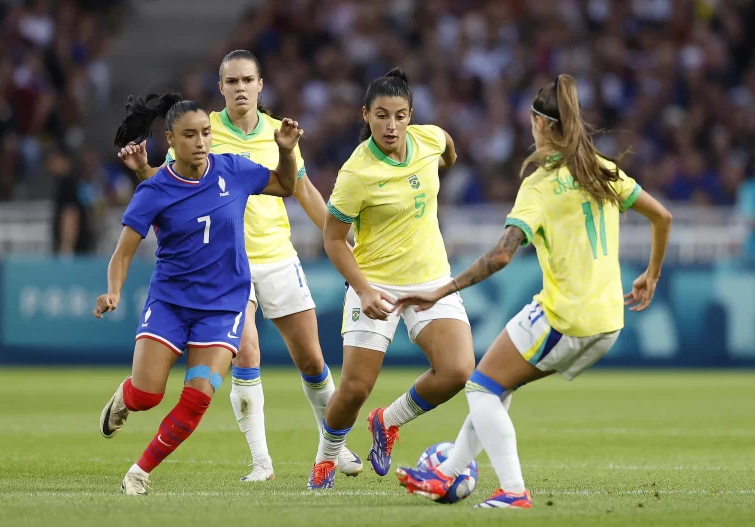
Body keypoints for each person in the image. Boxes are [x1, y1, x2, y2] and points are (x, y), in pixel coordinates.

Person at [394, 74, 673, 509]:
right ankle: (445, 474)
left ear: (539, 124)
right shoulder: (603, 170)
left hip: (566, 315)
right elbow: (663, 218)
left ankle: (512, 491)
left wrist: (441, 290)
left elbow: (502, 255)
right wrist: (651, 274)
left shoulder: (540, 185)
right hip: (608, 323)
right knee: (497, 385)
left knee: (481, 387)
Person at [118, 50, 362, 481]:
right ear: (221, 88)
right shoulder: (203, 128)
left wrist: (340, 241)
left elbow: (301, 190)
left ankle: (336, 446)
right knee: (246, 352)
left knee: (311, 358)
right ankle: (261, 463)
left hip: (279, 255)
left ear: (260, 85)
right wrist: (142, 172)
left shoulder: (278, 132)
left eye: (247, 80)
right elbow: (170, 184)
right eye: (232, 82)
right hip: (226, 267)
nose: (240, 88)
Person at [96, 92, 302, 495]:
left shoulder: (234, 170)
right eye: (190, 135)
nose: (202, 142)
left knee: (197, 400)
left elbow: (285, 185)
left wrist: (286, 152)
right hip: (171, 303)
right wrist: (113, 292)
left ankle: (139, 471)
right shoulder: (154, 191)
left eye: (206, 133)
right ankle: (125, 396)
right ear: (171, 140)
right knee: (147, 397)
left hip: (224, 306)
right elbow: (122, 253)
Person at [308, 68, 474, 489]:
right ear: (366, 115)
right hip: (375, 285)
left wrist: (444, 167)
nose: (391, 125)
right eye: (381, 115)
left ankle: (388, 421)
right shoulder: (356, 174)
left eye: (400, 115)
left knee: (457, 371)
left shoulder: (430, 139)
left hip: (431, 279)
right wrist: (362, 289)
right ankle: (325, 459)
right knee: (355, 389)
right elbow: (332, 240)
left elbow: (448, 151)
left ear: (411, 115)